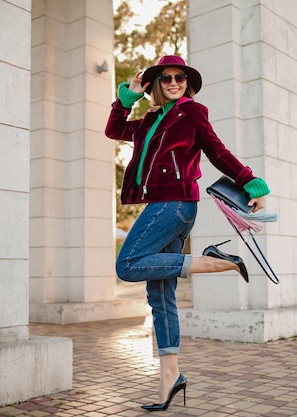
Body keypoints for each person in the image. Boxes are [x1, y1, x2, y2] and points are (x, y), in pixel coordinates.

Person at [104, 55, 270, 411]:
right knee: (161, 299)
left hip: (174, 203)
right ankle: (170, 377)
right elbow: (114, 130)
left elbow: (216, 151)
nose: (174, 82)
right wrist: (127, 97)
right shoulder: (149, 119)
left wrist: (251, 182)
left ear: (187, 83)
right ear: (156, 85)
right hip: (164, 204)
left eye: (180, 77)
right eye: (166, 78)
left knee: (128, 264)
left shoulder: (192, 112)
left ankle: (214, 261)